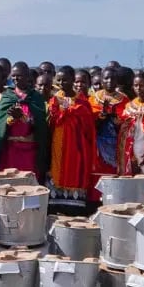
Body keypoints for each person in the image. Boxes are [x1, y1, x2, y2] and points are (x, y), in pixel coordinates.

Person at [0, 61, 51, 183]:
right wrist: (11, 118)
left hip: (29, 150)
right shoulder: (8, 96)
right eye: (13, 75)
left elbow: (41, 125)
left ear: (28, 76)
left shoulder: (35, 98)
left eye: (19, 75)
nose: (15, 78)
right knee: (9, 182)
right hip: (10, 150)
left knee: (27, 183)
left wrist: (26, 118)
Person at [46, 66, 96, 210]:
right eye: (59, 80)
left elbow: (88, 129)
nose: (62, 83)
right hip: (57, 146)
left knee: (75, 171)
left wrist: (71, 114)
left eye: (65, 80)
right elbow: (50, 123)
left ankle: (76, 210)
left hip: (77, 147)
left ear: (73, 80)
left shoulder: (82, 103)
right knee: (56, 174)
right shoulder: (54, 100)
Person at [89, 67, 129, 200]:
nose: (109, 81)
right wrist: (101, 116)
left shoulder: (124, 100)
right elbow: (90, 124)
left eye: (113, 78)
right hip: (98, 145)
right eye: (106, 78)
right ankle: (95, 202)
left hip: (117, 145)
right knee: (98, 174)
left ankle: (114, 200)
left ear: (117, 81)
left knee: (114, 174)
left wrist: (117, 122)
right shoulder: (94, 99)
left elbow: (127, 122)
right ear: (101, 80)